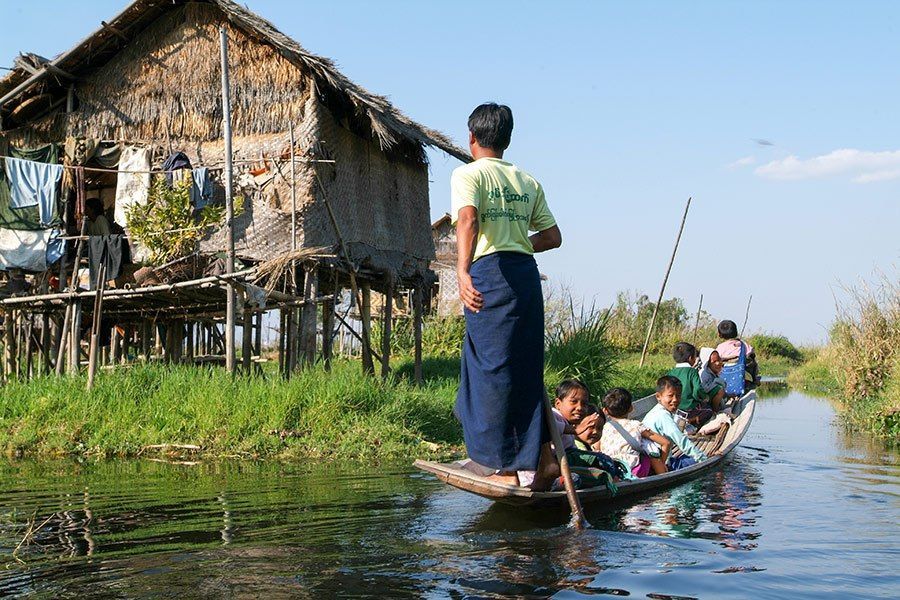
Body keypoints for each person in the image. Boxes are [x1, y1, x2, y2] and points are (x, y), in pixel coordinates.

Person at [452, 102, 562, 490]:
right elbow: (552, 237)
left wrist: (462, 270)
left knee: (491, 370)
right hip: (525, 277)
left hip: (491, 276)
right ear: (508, 140)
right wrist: (518, 242)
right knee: (526, 368)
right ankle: (546, 459)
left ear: (471, 138)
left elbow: (468, 219)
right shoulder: (527, 180)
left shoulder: (468, 174)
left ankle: (506, 468)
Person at [599, 387, 672, 477]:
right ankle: (662, 474)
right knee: (648, 444)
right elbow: (666, 443)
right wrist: (662, 462)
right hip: (636, 472)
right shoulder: (636, 425)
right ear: (631, 408)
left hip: (614, 473)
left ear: (605, 411)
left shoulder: (604, 428)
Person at [642, 376, 708, 471]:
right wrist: (704, 460)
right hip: (660, 464)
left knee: (689, 457)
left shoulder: (657, 411)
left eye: (678, 395)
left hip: (652, 460)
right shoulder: (663, 416)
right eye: (670, 395)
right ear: (658, 396)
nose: (675, 400)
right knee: (695, 459)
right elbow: (681, 441)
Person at [667, 341, 713, 425]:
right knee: (709, 410)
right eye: (695, 357)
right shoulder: (692, 372)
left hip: (676, 409)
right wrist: (704, 398)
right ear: (690, 358)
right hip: (690, 409)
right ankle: (692, 421)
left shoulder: (670, 372)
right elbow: (697, 390)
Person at [715, 319, 760, 387]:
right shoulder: (745, 345)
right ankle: (754, 380)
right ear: (736, 332)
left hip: (724, 378)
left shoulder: (720, 348)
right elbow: (752, 355)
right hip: (743, 377)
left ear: (720, 335)